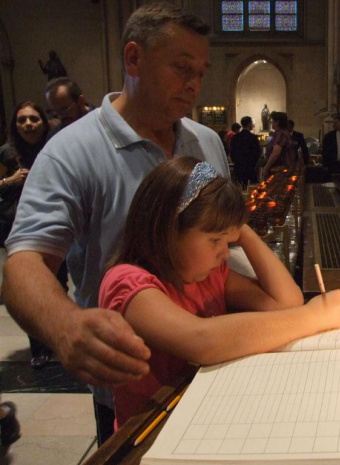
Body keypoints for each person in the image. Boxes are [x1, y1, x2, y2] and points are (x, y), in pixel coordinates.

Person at [3, 3, 229, 446]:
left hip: (214, 361)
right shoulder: (72, 151)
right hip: (135, 381)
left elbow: (223, 243)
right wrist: (66, 327)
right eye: (182, 68)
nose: (194, 84)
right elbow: (24, 264)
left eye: (200, 71)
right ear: (133, 59)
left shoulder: (207, 142)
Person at [100, 156, 340, 426]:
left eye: (227, 240)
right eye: (215, 240)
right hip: (151, 431)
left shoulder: (208, 275)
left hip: (201, 416)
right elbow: (201, 341)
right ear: (167, 230)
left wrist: (241, 230)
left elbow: (286, 302)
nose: (223, 253)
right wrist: (314, 317)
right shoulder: (127, 283)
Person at [0, 102, 62, 369]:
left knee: (56, 284)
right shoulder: (6, 152)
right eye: (22, 120)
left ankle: (55, 338)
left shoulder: (55, 148)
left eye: (33, 119)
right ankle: (38, 347)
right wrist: (10, 180)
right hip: (17, 224)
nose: (28, 124)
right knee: (30, 286)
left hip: (56, 228)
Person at [261, 111, 294, 178]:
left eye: (272, 121)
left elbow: (276, 153)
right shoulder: (284, 132)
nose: (271, 123)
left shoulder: (280, 133)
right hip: (282, 169)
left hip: (279, 170)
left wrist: (266, 167)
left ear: (277, 122)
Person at [230, 116, 260, 188]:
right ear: (249, 124)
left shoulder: (235, 137)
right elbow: (257, 152)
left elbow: (232, 151)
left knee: (240, 187)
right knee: (251, 189)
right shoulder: (252, 137)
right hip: (250, 167)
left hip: (239, 167)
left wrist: (236, 161)